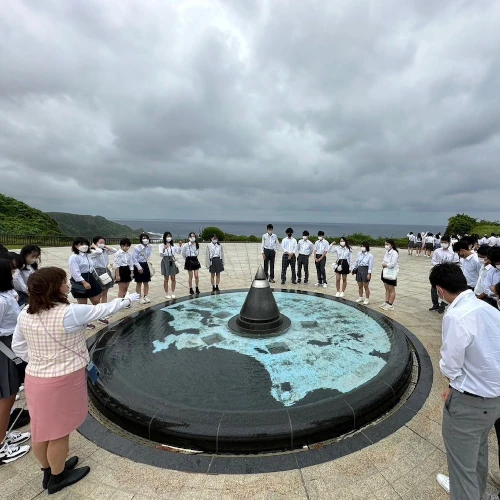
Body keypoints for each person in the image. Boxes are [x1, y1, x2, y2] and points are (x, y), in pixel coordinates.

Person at [12, 267, 140, 494]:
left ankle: (48, 471)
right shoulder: (68, 313)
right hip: (63, 380)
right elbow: (103, 309)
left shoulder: (25, 313)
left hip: (35, 378)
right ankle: (58, 477)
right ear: (54, 288)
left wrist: (42, 359)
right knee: (59, 433)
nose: (67, 285)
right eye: (63, 282)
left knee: (41, 430)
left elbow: (18, 347)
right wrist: (128, 299)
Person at [431, 263, 500, 500]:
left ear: (440, 290)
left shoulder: (456, 315)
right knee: (480, 451)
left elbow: (450, 364)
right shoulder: (489, 308)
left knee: (462, 467)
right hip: (494, 400)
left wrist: (450, 383)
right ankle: (479, 491)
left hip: (471, 402)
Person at [0, 259, 31, 466]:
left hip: (10, 344)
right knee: (6, 397)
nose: (14, 273)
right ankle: (1, 447)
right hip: (4, 348)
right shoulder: (0, 301)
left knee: (9, 397)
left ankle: (4, 434)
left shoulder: (6, 295)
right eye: (11, 271)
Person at [68, 237, 103, 330]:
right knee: (82, 303)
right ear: (76, 246)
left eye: (85, 244)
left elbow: (99, 251)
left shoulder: (88, 255)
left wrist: (93, 246)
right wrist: (83, 282)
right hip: (80, 280)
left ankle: (98, 316)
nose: (84, 246)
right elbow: (75, 272)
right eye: (81, 244)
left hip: (90, 277)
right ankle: (85, 322)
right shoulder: (74, 257)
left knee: (96, 298)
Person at [430, 235, 459, 313]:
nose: (443, 244)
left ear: (449, 243)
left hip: (448, 273)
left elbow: (455, 262)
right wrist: (439, 266)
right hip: (437, 271)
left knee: (445, 289)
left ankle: (443, 305)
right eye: (442, 242)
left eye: (445, 242)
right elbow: (433, 261)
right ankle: (435, 304)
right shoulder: (437, 251)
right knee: (434, 289)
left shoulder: (453, 252)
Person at [89, 237, 116, 306]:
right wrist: (94, 246)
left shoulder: (105, 250)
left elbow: (114, 250)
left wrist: (105, 246)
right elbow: (99, 252)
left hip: (105, 270)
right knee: (99, 292)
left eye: (103, 242)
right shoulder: (92, 251)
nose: (102, 244)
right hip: (97, 271)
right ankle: (97, 308)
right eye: (100, 242)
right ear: (95, 243)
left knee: (105, 291)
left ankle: (104, 308)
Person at [159, 232, 181, 300]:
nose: (169, 238)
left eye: (170, 236)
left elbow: (178, 252)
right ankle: (166, 293)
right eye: (167, 236)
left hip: (172, 260)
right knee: (166, 278)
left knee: (173, 277)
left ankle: (173, 292)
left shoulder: (173, 245)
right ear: (165, 237)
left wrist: (180, 246)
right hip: (165, 260)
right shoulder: (161, 245)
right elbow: (161, 255)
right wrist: (164, 249)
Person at [132, 233, 152, 305]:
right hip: (138, 265)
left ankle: (145, 296)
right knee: (139, 282)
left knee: (146, 282)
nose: (145, 239)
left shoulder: (150, 247)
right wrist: (139, 267)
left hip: (145, 264)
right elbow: (134, 258)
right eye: (143, 238)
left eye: (146, 238)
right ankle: (139, 297)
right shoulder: (137, 247)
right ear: (141, 239)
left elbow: (148, 256)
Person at [380, 239, 399, 311]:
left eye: (387, 244)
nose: (386, 246)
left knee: (391, 289)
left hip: (391, 272)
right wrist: (384, 264)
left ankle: (390, 304)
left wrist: (386, 265)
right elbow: (384, 260)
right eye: (385, 244)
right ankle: (386, 302)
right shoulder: (387, 252)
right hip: (385, 271)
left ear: (391, 245)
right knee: (386, 288)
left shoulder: (394, 253)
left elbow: (393, 263)